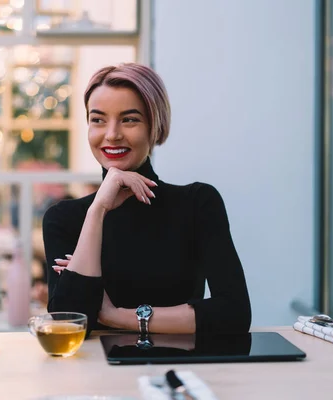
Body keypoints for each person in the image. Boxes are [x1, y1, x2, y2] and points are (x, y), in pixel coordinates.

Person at [43, 63, 251, 335]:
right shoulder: (64, 218)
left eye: (129, 119)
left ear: (155, 125)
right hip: (94, 373)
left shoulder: (197, 204)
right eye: (98, 119)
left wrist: (115, 316)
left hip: (178, 370)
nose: (112, 134)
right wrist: (97, 211)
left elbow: (234, 314)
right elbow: (68, 323)